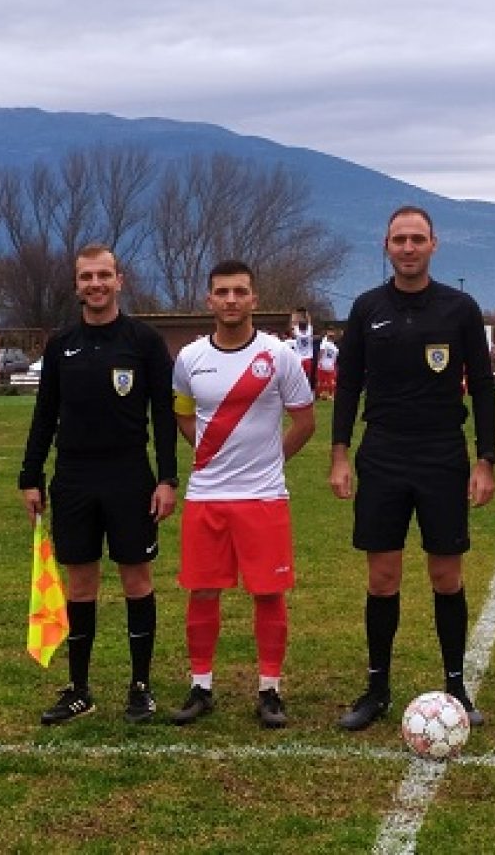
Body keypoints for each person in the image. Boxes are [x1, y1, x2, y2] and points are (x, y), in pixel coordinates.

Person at [330, 204, 495, 731]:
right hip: (382, 453)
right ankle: (376, 688)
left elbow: (483, 387)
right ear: (386, 246)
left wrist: (485, 460)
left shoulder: (460, 308)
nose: (408, 247)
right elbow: (347, 385)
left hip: (442, 453)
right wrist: (340, 453)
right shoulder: (366, 308)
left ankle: (456, 687)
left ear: (433, 244)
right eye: (399, 239)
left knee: (446, 576)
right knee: (382, 577)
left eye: (417, 239)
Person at [19, 244, 179, 726]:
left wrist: (167, 478)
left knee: (136, 580)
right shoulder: (61, 345)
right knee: (81, 583)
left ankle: (141, 687)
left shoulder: (144, 341)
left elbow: (163, 415)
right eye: (87, 277)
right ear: (76, 285)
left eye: (104, 275)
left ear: (119, 280)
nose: (96, 284)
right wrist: (31, 475)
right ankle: (79, 690)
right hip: (74, 477)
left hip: (129, 475)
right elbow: (45, 413)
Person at [169, 260, 315, 728]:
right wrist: (209, 452)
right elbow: (183, 414)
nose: (231, 299)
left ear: (254, 298)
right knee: (202, 591)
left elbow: (305, 421)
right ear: (209, 300)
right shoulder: (189, 358)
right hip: (206, 496)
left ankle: (270, 690)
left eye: (239, 291)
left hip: (263, 498)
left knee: (268, 593)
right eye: (222, 292)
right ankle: (201, 686)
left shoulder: (279, 355)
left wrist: (271, 460)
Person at [291, 307, 316, 389]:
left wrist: (295, 314)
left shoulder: (298, 332)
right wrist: (306, 313)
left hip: (301, 358)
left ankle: (302, 388)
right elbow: (309, 321)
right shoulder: (308, 332)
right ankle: (304, 388)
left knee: (301, 376)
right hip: (305, 358)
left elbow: (294, 323)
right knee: (305, 376)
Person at [316, 330, 340, 400]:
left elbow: (322, 351)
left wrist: (318, 360)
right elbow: (335, 359)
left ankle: (320, 394)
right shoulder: (335, 348)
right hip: (330, 366)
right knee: (331, 381)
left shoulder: (324, 343)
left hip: (322, 364)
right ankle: (331, 395)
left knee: (320, 381)